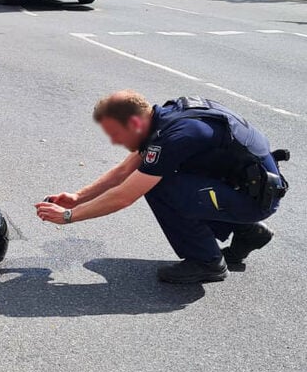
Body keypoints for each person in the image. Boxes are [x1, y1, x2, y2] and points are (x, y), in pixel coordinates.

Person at [35, 91, 287, 284]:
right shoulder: (164, 118)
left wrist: (68, 217)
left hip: (253, 199)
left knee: (158, 186)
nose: (114, 141)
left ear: (134, 123)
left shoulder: (176, 136)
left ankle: (206, 262)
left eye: (115, 133)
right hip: (243, 191)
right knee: (156, 175)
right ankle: (248, 232)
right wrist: (78, 197)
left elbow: (124, 196)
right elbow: (125, 170)